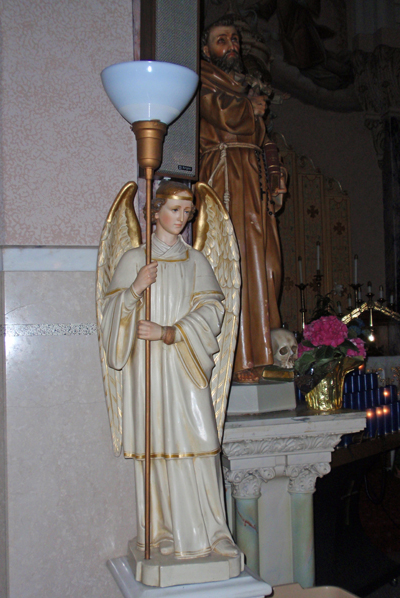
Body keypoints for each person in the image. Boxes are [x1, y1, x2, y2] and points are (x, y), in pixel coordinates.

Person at [99, 180, 240, 563]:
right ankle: (160, 532)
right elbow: (109, 318)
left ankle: (214, 531)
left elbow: (214, 310)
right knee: (156, 446)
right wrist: (134, 290)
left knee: (201, 442)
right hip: (145, 369)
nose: (183, 218)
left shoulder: (196, 261)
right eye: (175, 210)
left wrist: (170, 332)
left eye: (188, 211)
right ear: (155, 211)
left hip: (183, 363)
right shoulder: (134, 261)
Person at [200, 16, 287, 383]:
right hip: (226, 177)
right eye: (222, 40)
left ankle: (263, 353)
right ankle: (235, 362)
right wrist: (248, 108)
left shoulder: (242, 86)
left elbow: (260, 136)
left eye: (234, 39)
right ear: (206, 50)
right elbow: (227, 118)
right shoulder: (202, 79)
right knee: (234, 264)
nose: (231, 46)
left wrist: (273, 174)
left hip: (252, 182)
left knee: (267, 267)